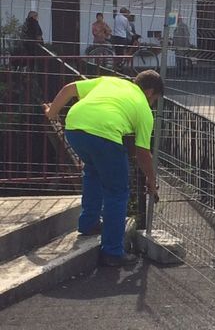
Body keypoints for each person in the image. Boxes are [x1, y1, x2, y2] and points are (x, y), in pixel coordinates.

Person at [43, 70, 164, 266]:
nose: (153, 104)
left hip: (74, 128)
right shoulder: (144, 109)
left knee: (93, 171)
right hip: (105, 135)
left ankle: (89, 223)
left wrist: (52, 113)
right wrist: (151, 180)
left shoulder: (111, 82)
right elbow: (143, 153)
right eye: (155, 100)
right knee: (117, 192)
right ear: (150, 92)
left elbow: (69, 89)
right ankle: (113, 252)